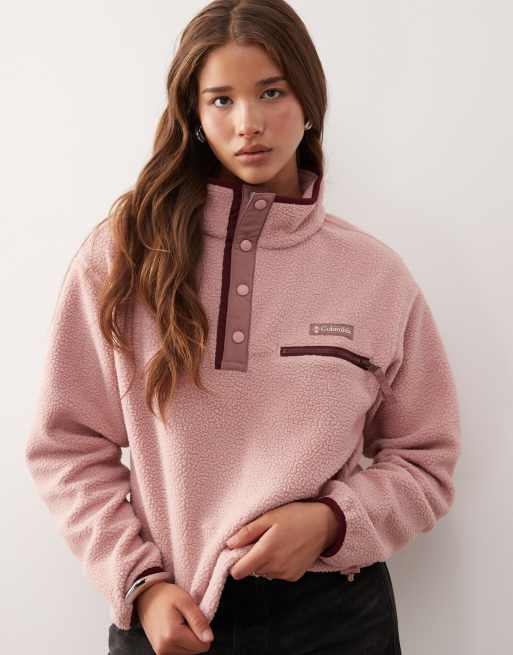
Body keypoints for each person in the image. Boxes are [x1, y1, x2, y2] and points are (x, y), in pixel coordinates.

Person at [24, 1, 461, 653]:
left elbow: (427, 458)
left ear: (309, 102)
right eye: (221, 100)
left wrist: (331, 521)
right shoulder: (122, 257)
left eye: (271, 92)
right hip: (172, 612)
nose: (248, 123)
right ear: (194, 116)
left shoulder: (375, 275)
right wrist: (139, 584)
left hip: (337, 619)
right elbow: (66, 446)